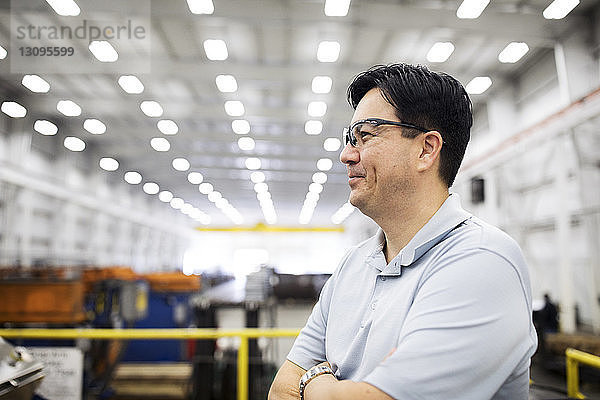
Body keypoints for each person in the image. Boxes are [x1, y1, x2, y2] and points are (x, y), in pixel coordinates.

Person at [268, 63, 537, 400]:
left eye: (366, 135)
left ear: (427, 149)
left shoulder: (482, 260)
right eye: (350, 138)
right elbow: (281, 390)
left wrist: (312, 380)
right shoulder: (354, 263)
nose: (346, 154)